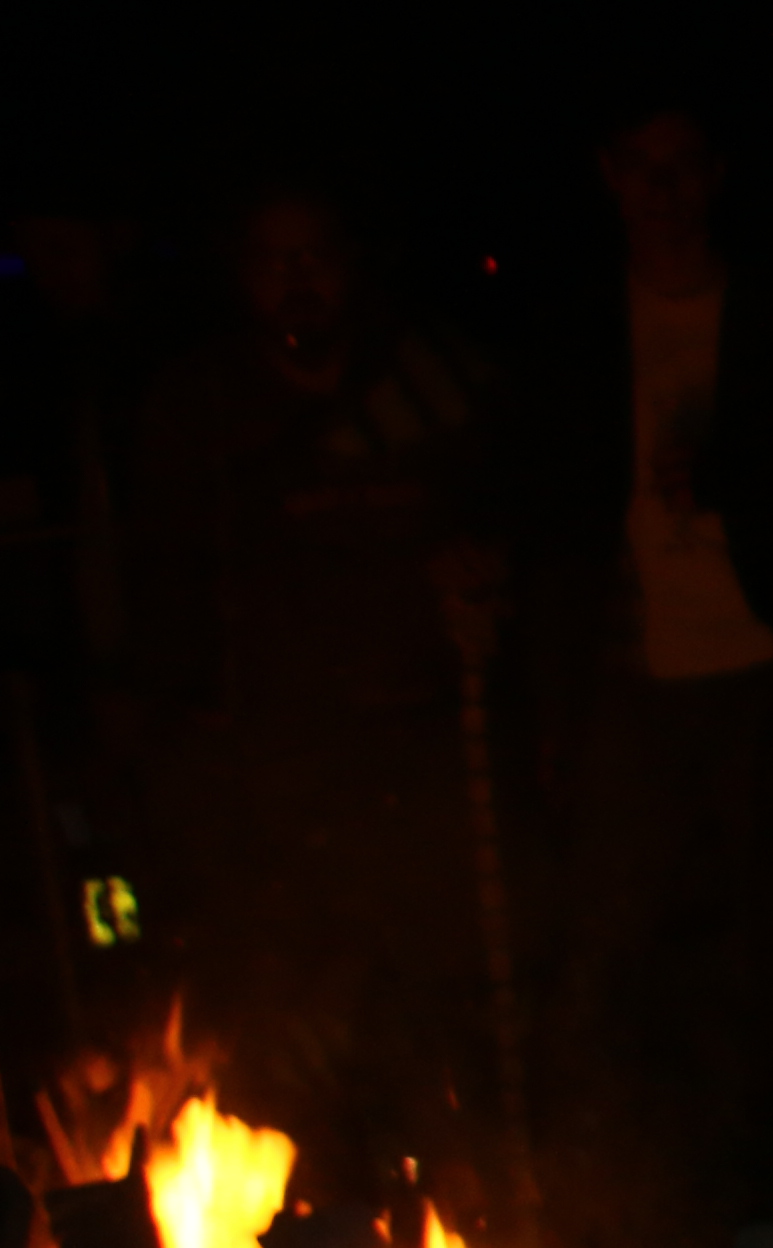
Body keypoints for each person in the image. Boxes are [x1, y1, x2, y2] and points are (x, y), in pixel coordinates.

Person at [120, 173, 511, 1183]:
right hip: (279, 773)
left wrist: (486, 574)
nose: (296, 281)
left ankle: (471, 1216)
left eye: (315, 256)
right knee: (299, 1028)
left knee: (446, 1015)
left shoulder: (434, 379)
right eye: (271, 260)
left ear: (351, 262)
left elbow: (511, 517)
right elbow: (161, 592)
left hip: (426, 755)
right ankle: (320, 1235)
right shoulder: (199, 408)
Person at [523, 98, 773, 1242]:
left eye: (680, 167)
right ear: (610, 178)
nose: (662, 191)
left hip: (762, 663)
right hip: (631, 672)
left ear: (713, 175)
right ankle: (606, 1210)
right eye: (640, 168)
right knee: (610, 949)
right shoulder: (577, 325)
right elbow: (546, 497)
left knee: (770, 950)